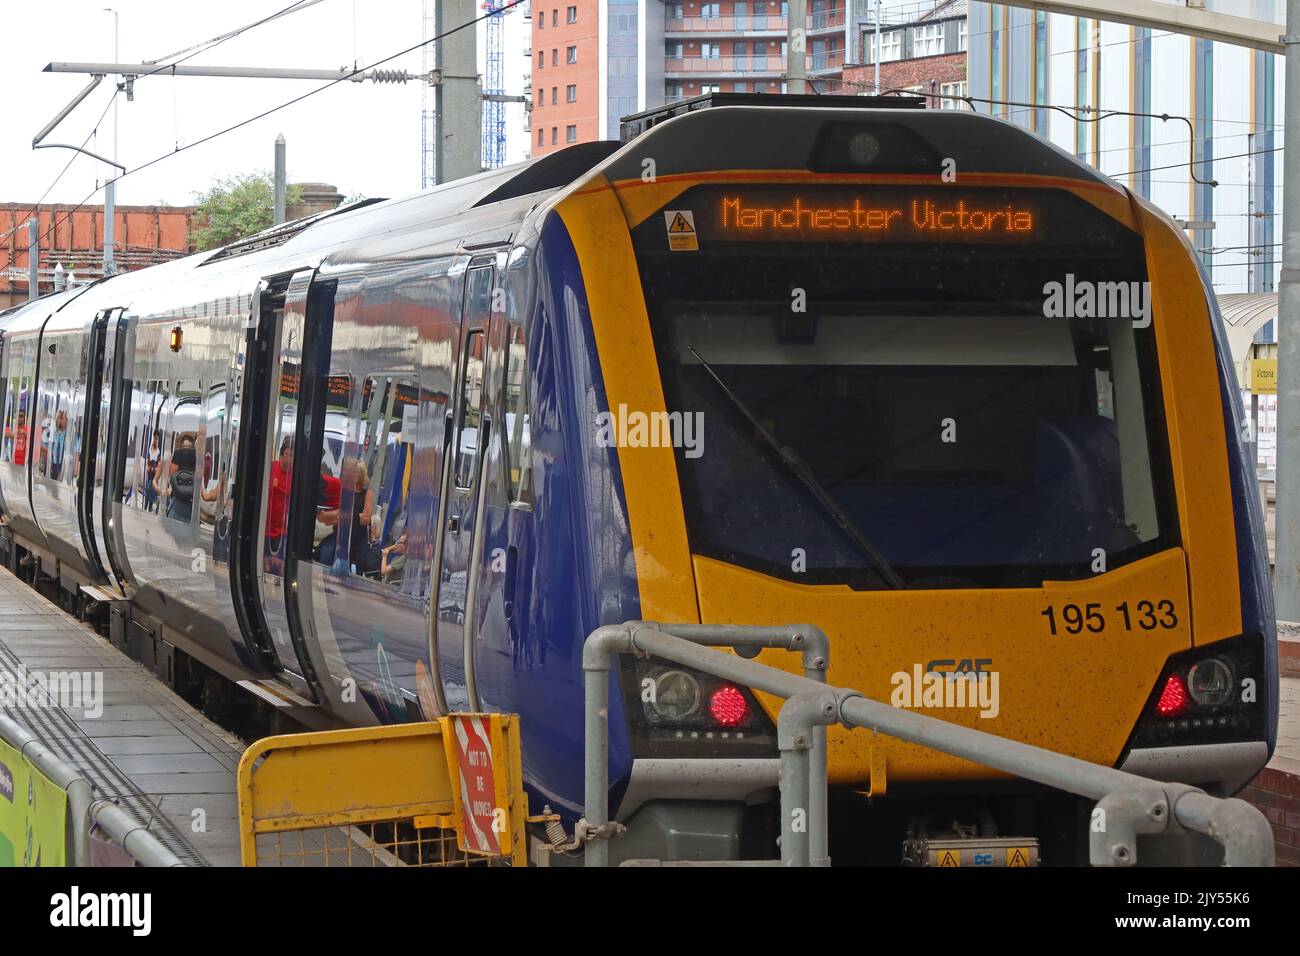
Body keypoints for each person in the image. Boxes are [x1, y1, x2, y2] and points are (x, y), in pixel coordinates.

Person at [157, 432, 197, 524]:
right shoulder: (197, 456)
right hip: (191, 501)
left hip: (177, 499)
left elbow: (172, 475)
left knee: (174, 528)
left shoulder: (178, 454)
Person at [265, 436, 293, 558]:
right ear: (282, 454)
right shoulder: (271, 468)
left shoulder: (294, 476)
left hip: (281, 529)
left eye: (292, 455)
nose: (290, 458)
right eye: (287, 454)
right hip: (266, 525)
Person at [144, 432, 161, 512]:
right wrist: (149, 468)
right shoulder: (149, 449)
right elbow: (147, 461)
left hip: (154, 471)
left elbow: (158, 462)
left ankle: (150, 507)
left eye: (157, 439)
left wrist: (156, 469)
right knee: (148, 487)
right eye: (155, 438)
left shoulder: (158, 451)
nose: (156, 440)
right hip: (149, 471)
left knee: (152, 489)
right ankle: (145, 505)